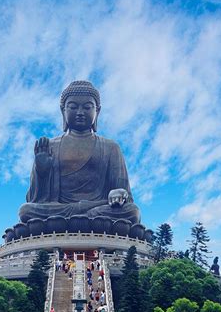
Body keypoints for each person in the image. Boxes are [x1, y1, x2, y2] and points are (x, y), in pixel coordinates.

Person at [18, 81, 141, 225]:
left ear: (98, 111)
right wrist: (42, 172)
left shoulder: (110, 147)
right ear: (63, 110)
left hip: (98, 208)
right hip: (61, 210)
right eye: (73, 107)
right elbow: (35, 200)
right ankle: (83, 219)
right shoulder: (50, 146)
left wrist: (118, 193)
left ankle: (80, 219)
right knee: (25, 211)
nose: (80, 112)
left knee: (132, 211)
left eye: (87, 107)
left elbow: (123, 193)